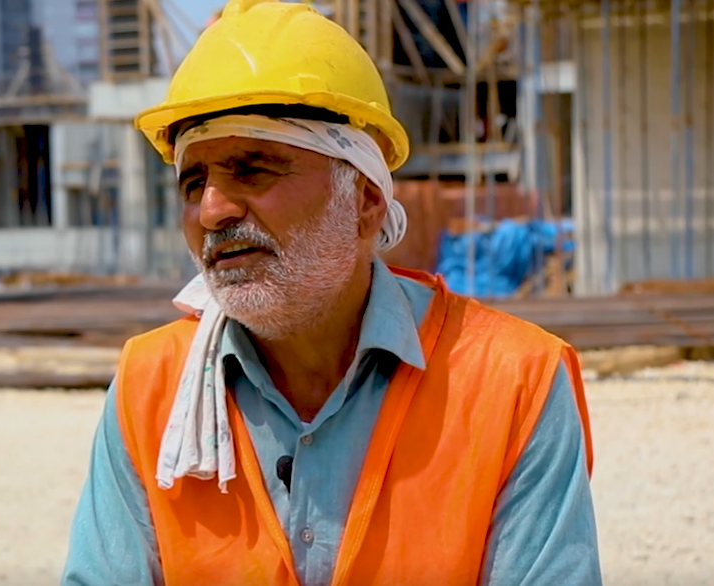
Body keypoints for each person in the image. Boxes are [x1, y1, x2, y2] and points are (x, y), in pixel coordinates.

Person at [60, 0, 601, 584]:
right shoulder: (150, 388)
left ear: (365, 201)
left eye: (253, 168)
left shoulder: (513, 382)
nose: (212, 209)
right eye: (195, 181)